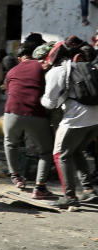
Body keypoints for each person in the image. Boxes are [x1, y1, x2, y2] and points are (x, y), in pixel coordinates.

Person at [40, 38, 98, 208]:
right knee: (77, 151)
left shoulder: (57, 71)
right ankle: (88, 190)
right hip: (96, 118)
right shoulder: (89, 67)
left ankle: (69, 197)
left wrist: (41, 99)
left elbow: (50, 103)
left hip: (76, 117)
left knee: (60, 155)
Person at [3, 41, 57, 200]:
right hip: (35, 112)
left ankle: (16, 177)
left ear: (19, 58)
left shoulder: (11, 71)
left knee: (10, 143)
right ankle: (40, 188)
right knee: (46, 152)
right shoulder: (42, 66)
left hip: (11, 112)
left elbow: (10, 91)